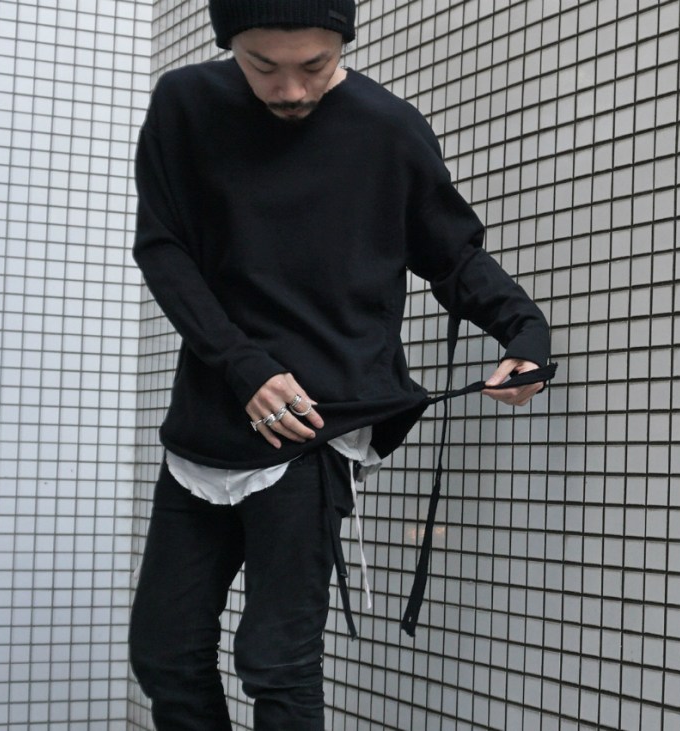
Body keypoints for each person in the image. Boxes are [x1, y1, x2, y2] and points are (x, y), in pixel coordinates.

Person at [127, 1, 552, 728]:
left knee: (275, 661)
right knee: (164, 652)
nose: (291, 89)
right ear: (230, 44)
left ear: (343, 42)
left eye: (315, 66)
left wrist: (525, 332)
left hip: (318, 423)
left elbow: (452, 256)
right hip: (211, 412)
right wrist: (243, 366)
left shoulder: (388, 129)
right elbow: (163, 248)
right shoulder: (186, 104)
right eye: (264, 67)